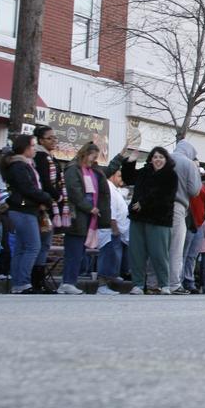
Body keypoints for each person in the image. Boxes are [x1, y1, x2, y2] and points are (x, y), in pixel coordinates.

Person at [60, 143, 129, 295]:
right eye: (93, 157)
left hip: (89, 217)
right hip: (77, 215)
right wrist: (89, 207)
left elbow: (109, 170)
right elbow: (74, 192)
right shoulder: (73, 169)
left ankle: (69, 281)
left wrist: (120, 156)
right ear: (85, 154)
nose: (95, 160)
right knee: (74, 250)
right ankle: (67, 282)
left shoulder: (94, 171)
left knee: (80, 250)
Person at [123, 148, 178, 295]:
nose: (158, 160)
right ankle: (138, 285)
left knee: (159, 254)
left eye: (161, 157)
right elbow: (128, 178)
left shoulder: (170, 175)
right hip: (138, 217)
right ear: (150, 159)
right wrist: (130, 161)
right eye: (155, 157)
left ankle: (164, 284)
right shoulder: (144, 172)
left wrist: (144, 203)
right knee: (137, 253)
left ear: (166, 159)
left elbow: (165, 196)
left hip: (159, 219)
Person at [3, 135, 54, 294]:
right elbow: (27, 188)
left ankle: (18, 283)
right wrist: (45, 197)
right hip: (23, 209)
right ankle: (23, 282)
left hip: (26, 209)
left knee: (21, 247)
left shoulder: (26, 164)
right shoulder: (19, 165)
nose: (34, 149)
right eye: (32, 146)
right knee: (33, 246)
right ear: (24, 148)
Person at [32, 125, 66, 293]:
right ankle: (35, 281)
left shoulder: (49, 157)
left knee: (45, 243)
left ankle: (39, 279)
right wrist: (58, 196)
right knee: (41, 243)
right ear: (40, 140)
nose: (54, 141)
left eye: (55, 138)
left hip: (51, 206)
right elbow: (45, 182)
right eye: (49, 138)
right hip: (44, 206)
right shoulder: (40, 157)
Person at [168, 140, 202, 294]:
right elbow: (194, 190)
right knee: (176, 247)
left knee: (159, 247)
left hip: (158, 207)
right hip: (178, 206)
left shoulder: (165, 158)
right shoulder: (188, 164)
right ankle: (174, 283)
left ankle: (154, 282)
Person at [96, 168, 130, 295]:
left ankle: (112, 277)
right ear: (112, 176)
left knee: (114, 257)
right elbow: (111, 209)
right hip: (111, 229)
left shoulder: (116, 190)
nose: (121, 179)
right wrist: (114, 227)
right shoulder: (109, 189)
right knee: (108, 255)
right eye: (119, 176)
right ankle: (102, 284)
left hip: (117, 231)